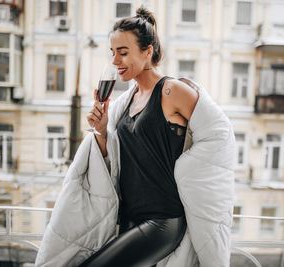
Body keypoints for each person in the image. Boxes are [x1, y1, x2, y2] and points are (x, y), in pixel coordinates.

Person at [35, 6, 235, 267]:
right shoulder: (124, 102)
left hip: (162, 221)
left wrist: (190, 169)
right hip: (128, 218)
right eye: (113, 53)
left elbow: (218, 132)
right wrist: (103, 128)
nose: (115, 61)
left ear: (147, 51)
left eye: (123, 53)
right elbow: (117, 159)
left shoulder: (171, 91)